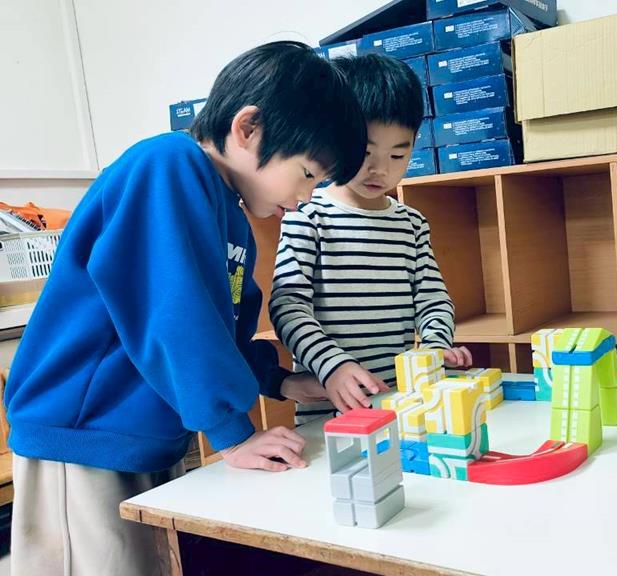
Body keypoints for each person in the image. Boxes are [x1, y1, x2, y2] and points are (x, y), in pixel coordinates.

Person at [3, 41, 366, 575]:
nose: (306, 197)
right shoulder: (168, 164)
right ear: (249, 128)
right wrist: (233, 433)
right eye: (308, 174)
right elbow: (175, 313)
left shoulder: (233, 216)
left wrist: (281, 382)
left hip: (139, 434)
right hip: (82, 434)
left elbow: (223, 329)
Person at [271, 53, 472, 423]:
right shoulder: (307, 216)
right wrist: (332, 366)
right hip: (331, 411)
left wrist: (435, 346)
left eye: (397, 155)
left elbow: (433, 299)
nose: (380, 169)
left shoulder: (412, 224)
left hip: (400, 404)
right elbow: (288, 307)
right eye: (364, 153)